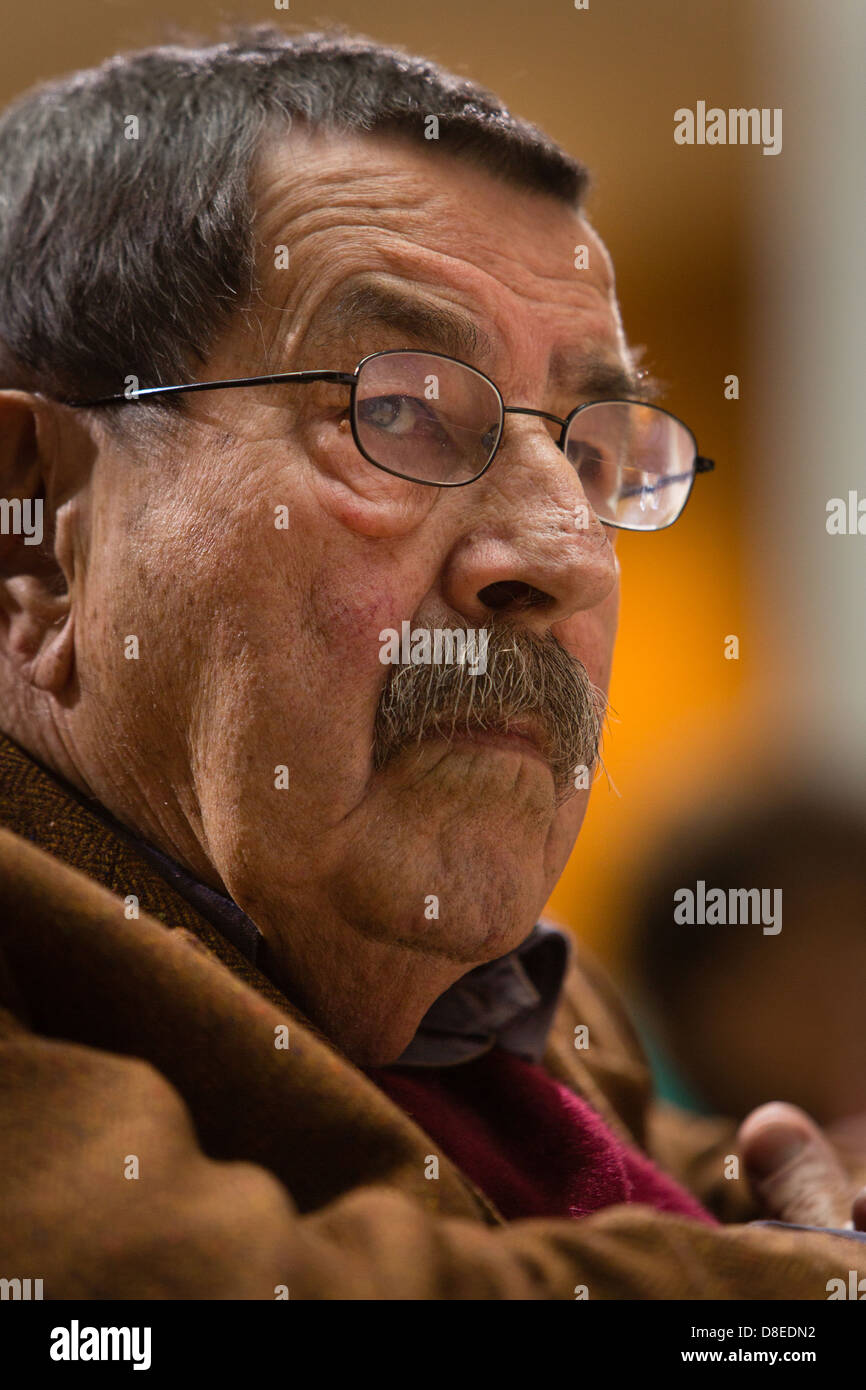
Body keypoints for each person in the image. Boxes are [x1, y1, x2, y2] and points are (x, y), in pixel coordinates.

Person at [0, 26, 863, 1299]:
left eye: (587, 455)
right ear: (35, 530)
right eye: (393, 408)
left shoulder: (526, 1001)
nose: (561, 551)